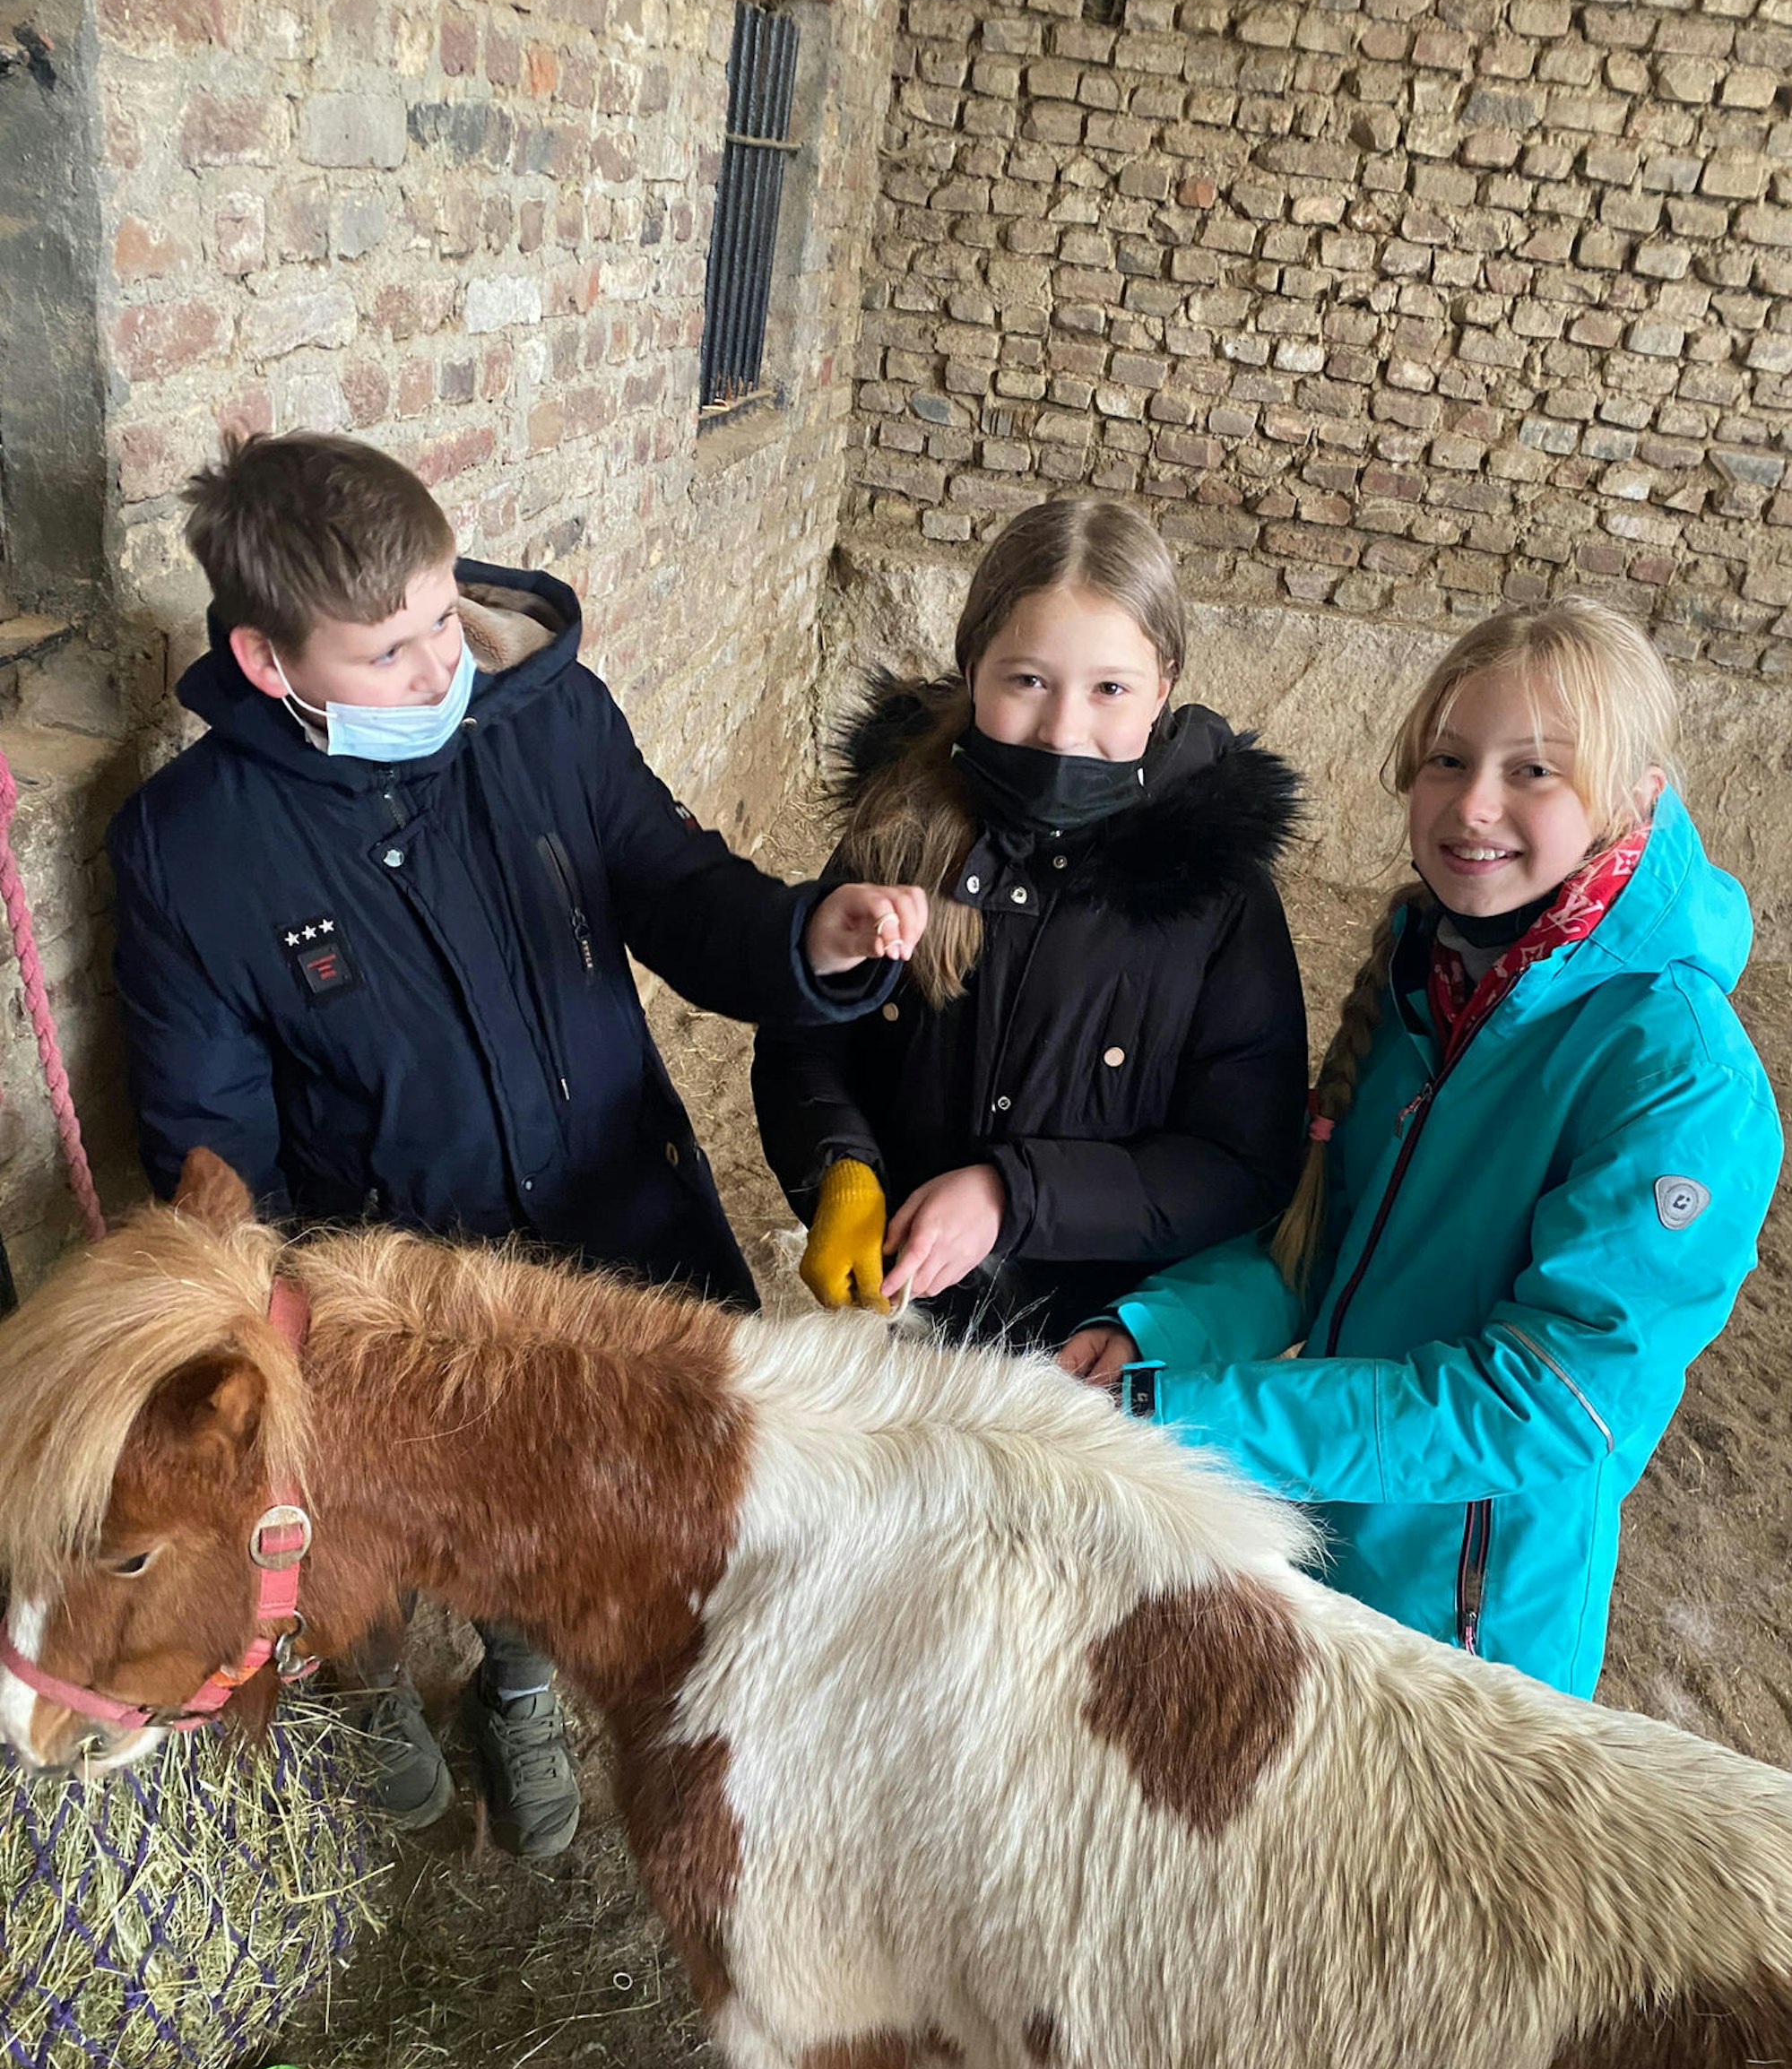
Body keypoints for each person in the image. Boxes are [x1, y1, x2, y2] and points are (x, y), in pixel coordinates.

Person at [107, 430, 926, 1856]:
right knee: (427, 1496)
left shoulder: (545, 719)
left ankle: (521, 1675)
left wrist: (812, 933)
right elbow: (211, 1133)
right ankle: (370, 1681)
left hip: (616, 1210)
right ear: (266, 662)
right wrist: (304, 1329)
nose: (440, 671)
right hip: (402, 1273)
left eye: (442, 620)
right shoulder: (190, 847)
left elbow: (677, 887)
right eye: (389, 653)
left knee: (606, 1506)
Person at [1060, 598, 1781, 1699]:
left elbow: (1540, 1407)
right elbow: (1313, 1247)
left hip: (1471, 1630)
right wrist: (1143, 1335)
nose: (1473, 805)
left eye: (1533, 770)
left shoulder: (1681, 1080)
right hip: (1316, 1541)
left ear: (1634, 794)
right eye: (1448, 759)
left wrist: (1184, 1414)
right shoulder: (1429, 989)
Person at [752, 498, 1307, 1352]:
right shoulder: (894, 831)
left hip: (1098, 1348)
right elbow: (806, 1040)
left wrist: (1014, 1195)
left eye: (1109, 689)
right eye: (1027, 681)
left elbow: (1243, 1162)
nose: (1062, 730)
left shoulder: (1217, 890)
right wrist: (839, 1167)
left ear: (1163, 687)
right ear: (971, 666)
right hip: (904, 1323)